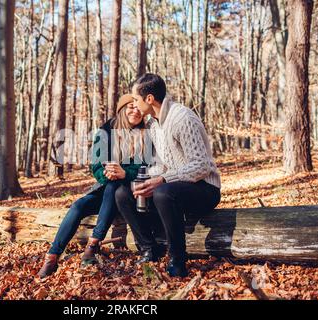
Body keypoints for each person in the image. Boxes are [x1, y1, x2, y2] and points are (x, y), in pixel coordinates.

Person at [115, 73, 221, 277]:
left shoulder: (182, 118)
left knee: (163, 192)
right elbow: (161, 166)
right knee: (123, 193)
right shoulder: (153, 125)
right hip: (174, 187)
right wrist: (142, 182)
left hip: (205, 188)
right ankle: (148, 248)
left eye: (136, 99)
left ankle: (177, 259)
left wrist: (162, 180)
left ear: (149, 99)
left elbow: (201, 166)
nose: (134, 105)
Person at [37, 94, 146, 278]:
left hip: (130, 193)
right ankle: (52, 256)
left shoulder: (145, 135)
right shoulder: (104, 132)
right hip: (106, 189)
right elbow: (95, 165)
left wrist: (125, 173)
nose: (135, 111)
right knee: (79, 205)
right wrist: (106, 173)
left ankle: (93, 244)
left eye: (139, 109)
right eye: (130, 107)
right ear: (121, 109)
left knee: (114, 186)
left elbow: (145, 167)